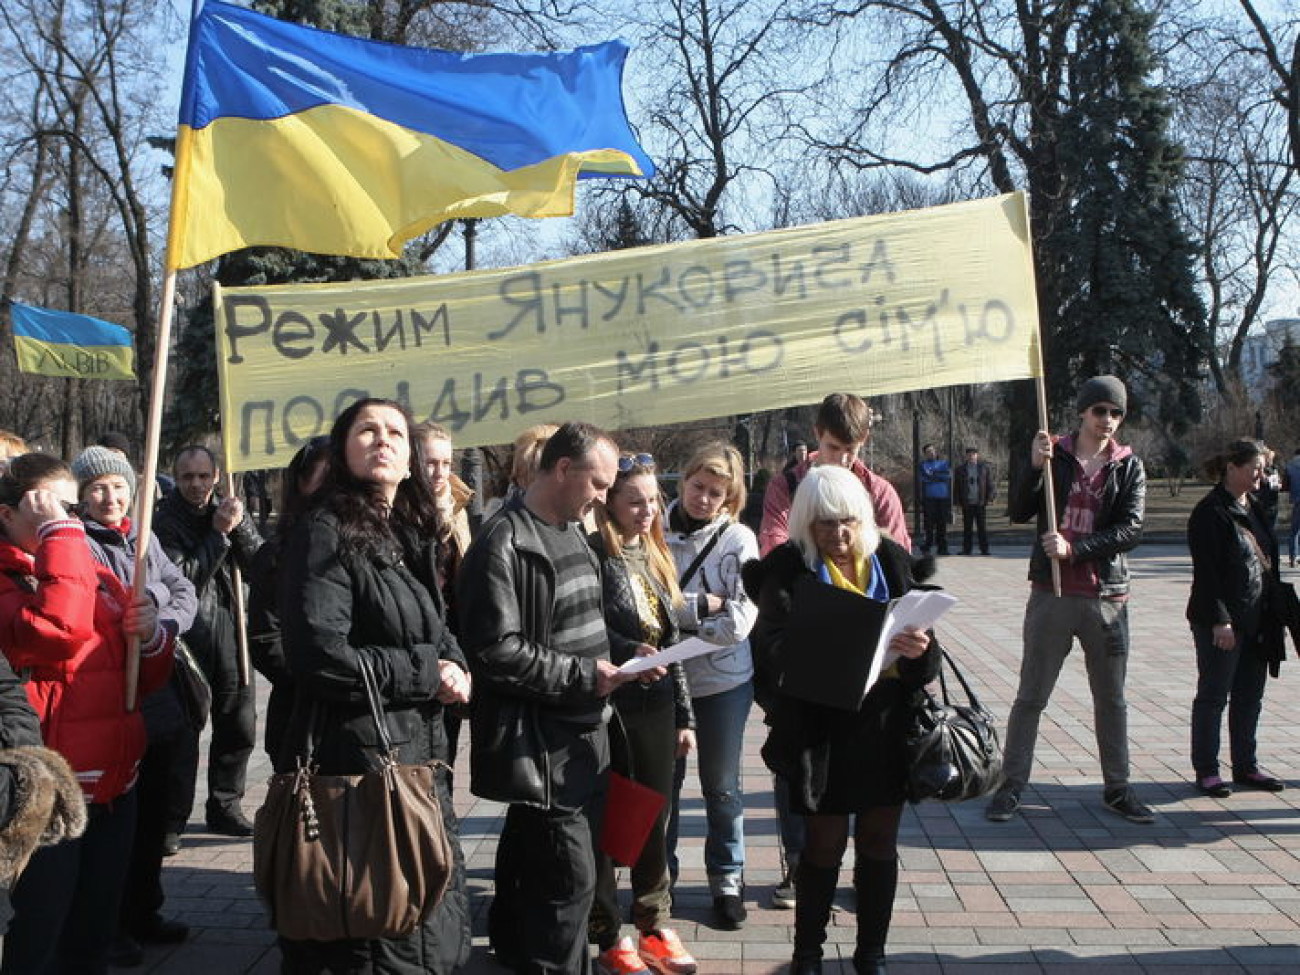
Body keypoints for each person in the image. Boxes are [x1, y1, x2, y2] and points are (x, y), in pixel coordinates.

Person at [276, 398, 472, 973]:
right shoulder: (325, 527)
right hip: (358, 771)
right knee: (377, 930)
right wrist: (424, 672)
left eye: (394, 432)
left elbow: (433, 627)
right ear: (343, 451)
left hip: (416, 758)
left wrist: (455, 662)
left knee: (425, 919)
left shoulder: (409, 530)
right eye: (366, 430)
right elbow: (318, 654)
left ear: (411, 458)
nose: (381, 439)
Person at [458, 421, 648, 974]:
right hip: (543, 747)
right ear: (562, 469)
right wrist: (585, 676)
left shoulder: (575, 532)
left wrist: (626, 650)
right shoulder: (502, 542)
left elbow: (580, 624)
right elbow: (495, 651)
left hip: (589, 735)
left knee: (551, 874)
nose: (604, 496)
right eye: (598, 482)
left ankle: (518, 950)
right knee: (570, 886)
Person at [743, 465, 937, 975]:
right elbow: (772, 654)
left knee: (879, 842)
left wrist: (919, 650)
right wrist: (845, 647)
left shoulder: (891, 561)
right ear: (806, 521)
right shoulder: (788, 568)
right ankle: (808, 955)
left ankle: (871, 953)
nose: (839, 534)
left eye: (848, 521)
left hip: (883, 728)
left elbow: (926, 666)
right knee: (822, 846)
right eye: (825, 523)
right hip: (820, 733)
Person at [0, 452, 177, 974]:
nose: (70, 520)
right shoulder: (22, 574)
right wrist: (62, 536)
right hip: (49, 790)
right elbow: (57, 631)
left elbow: (140, 680)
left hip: (113, 784)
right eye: (55, 507)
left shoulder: (86, 567)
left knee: (93, 934)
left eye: (71, 509)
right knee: (43, 932)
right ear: (8, 514)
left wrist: (150, 640)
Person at [986, 375, 1153, 824]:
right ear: (1083, 411)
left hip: (1106, 597)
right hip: (1052, 594)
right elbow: (1020, 511)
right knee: (1031, 695)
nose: (1108, 421)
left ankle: (1118, 788)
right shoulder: (1054, 454)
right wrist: (1031, 466)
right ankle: (1012, 784)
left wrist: (1074, 549)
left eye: (1116, 413)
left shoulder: (1128, 465)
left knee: (1111, 698)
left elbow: (1131, 529)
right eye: (1100, 410)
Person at [69, 445, 199, 963]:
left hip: (158, 690)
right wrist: (138, 608)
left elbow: (182, 590)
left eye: (119, 487)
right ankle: (113, 924)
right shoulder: (79, 544)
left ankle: (145, 910)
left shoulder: (143, 538)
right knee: (114, 823)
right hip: (108, 694)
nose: (111, 497)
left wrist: (157, 620)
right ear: (81, 496)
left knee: (153, 817)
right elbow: (107, 605)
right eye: (99, 488)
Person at [588, 453, 698, 975]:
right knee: (614, 823)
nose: (647, 511)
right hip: (612, 708)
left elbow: (671, 640)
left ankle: (654, 923)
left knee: (656, 818)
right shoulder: (594, 556)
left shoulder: (655, 556)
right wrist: (627, 648)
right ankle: (608, 932)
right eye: (635, 501)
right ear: (609, 502)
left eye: (653, 500)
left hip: (657, 708)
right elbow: (585, 632)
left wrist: (685, 718)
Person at [663, 442, 759, 929]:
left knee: (722, 787)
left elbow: (740, 622)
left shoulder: (739, 540)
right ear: (682, 482)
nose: (703, 499)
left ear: (730, 498)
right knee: (667, 786)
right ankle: (662, 882)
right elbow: (644, 609)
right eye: (698, 487)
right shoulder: (652, 528)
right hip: (665, 678)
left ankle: (727, 878)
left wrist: (680, 615)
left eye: (716, 493)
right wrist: (708, 606)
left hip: (725, 681)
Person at [154, 444, 263, 838]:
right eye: (187, 477)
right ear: (177, 478)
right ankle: (171, 819)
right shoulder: (166, 521)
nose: (196, 485)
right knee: (184, 734)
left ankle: (225, 804)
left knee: (239, 725)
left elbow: (262, 566)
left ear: (216, 476)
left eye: (203, 476)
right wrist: (217, 535)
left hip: (234, 633)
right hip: (190, 639)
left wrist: (241, 527)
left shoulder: (231, 509)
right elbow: (182, 580)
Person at [1187, 439, 1286, 797]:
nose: (1261, 474)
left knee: (1250, 696)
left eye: (1264, 468)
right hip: (1222, 620)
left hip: (1257, 619)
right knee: (1214, 695)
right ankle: (1208, 770)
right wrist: (1220, 620)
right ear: (1232, 467)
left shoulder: (1256, 506)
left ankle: (1246, 766)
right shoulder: (1210, 512)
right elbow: (1208, 573)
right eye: (1254, 467)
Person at [247, 435, 330, 761]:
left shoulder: (368, 546)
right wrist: (325, 675)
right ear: (303, 483)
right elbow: (266, 640)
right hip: (300, 716)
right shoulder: (278, 554)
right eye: (325, 478)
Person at [760, 393, 911, 556]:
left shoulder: (880, 493)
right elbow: (774, 554)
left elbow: (899, 561)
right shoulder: (784, 489)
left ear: (864, 440)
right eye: (833, 447)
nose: (841, 459)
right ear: (817, 433)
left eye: (850, 450)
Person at [954, 447, 995, 556]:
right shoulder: (960, 469)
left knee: (982, 527)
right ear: (966, 456)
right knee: (967, 528)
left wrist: (990, 497)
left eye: (973, 454)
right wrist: (957, 502)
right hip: (967, 503)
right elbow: (957, 486)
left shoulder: (984, 468)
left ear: (977, 455)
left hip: (980, 503)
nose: (971, 456)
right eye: (969, 454)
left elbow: (990, 483)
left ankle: (984, 549)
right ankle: (967, 549)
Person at [918, 443, 951, 555]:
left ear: (936, 452)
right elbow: (924, 478)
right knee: (929, 524)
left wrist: (933, 475)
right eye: (928, 452)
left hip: (942, 498)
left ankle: (942, 547)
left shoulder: (944, 463)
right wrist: (938, 476)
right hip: (929, 498)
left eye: (932, 451)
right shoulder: (923, 465)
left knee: (942, 523)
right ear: (925, 454)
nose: (931, 453)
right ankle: (927, 545)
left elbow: (947, 476)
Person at [1286, 447, 1300, 569]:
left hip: (1297, 501)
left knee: (1294, 531)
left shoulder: (1290, 466)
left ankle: (1292, 557)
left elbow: (1285, 485)